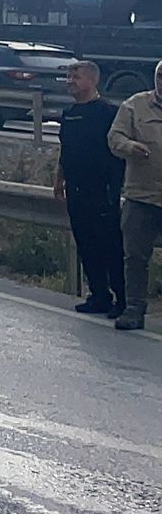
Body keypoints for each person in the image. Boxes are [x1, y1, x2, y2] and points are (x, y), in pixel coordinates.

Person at [55, 62, 123, 315]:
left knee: (111, 245)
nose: (70, 80)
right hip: (76, 189)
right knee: (86, 243)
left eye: (76, 76)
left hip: (103, 191)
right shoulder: (69, 113)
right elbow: (65, 149)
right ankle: (99, 295)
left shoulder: (109, 112)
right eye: (68, 76)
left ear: (93, 81)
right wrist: (59, 180)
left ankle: (122, 298)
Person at [110, 62, 162, 331]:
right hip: (141, 196)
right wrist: (129, 146)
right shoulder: (135, 105)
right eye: (161, 75)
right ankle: (134, 308)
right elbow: (114, 137)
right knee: (135, 257)